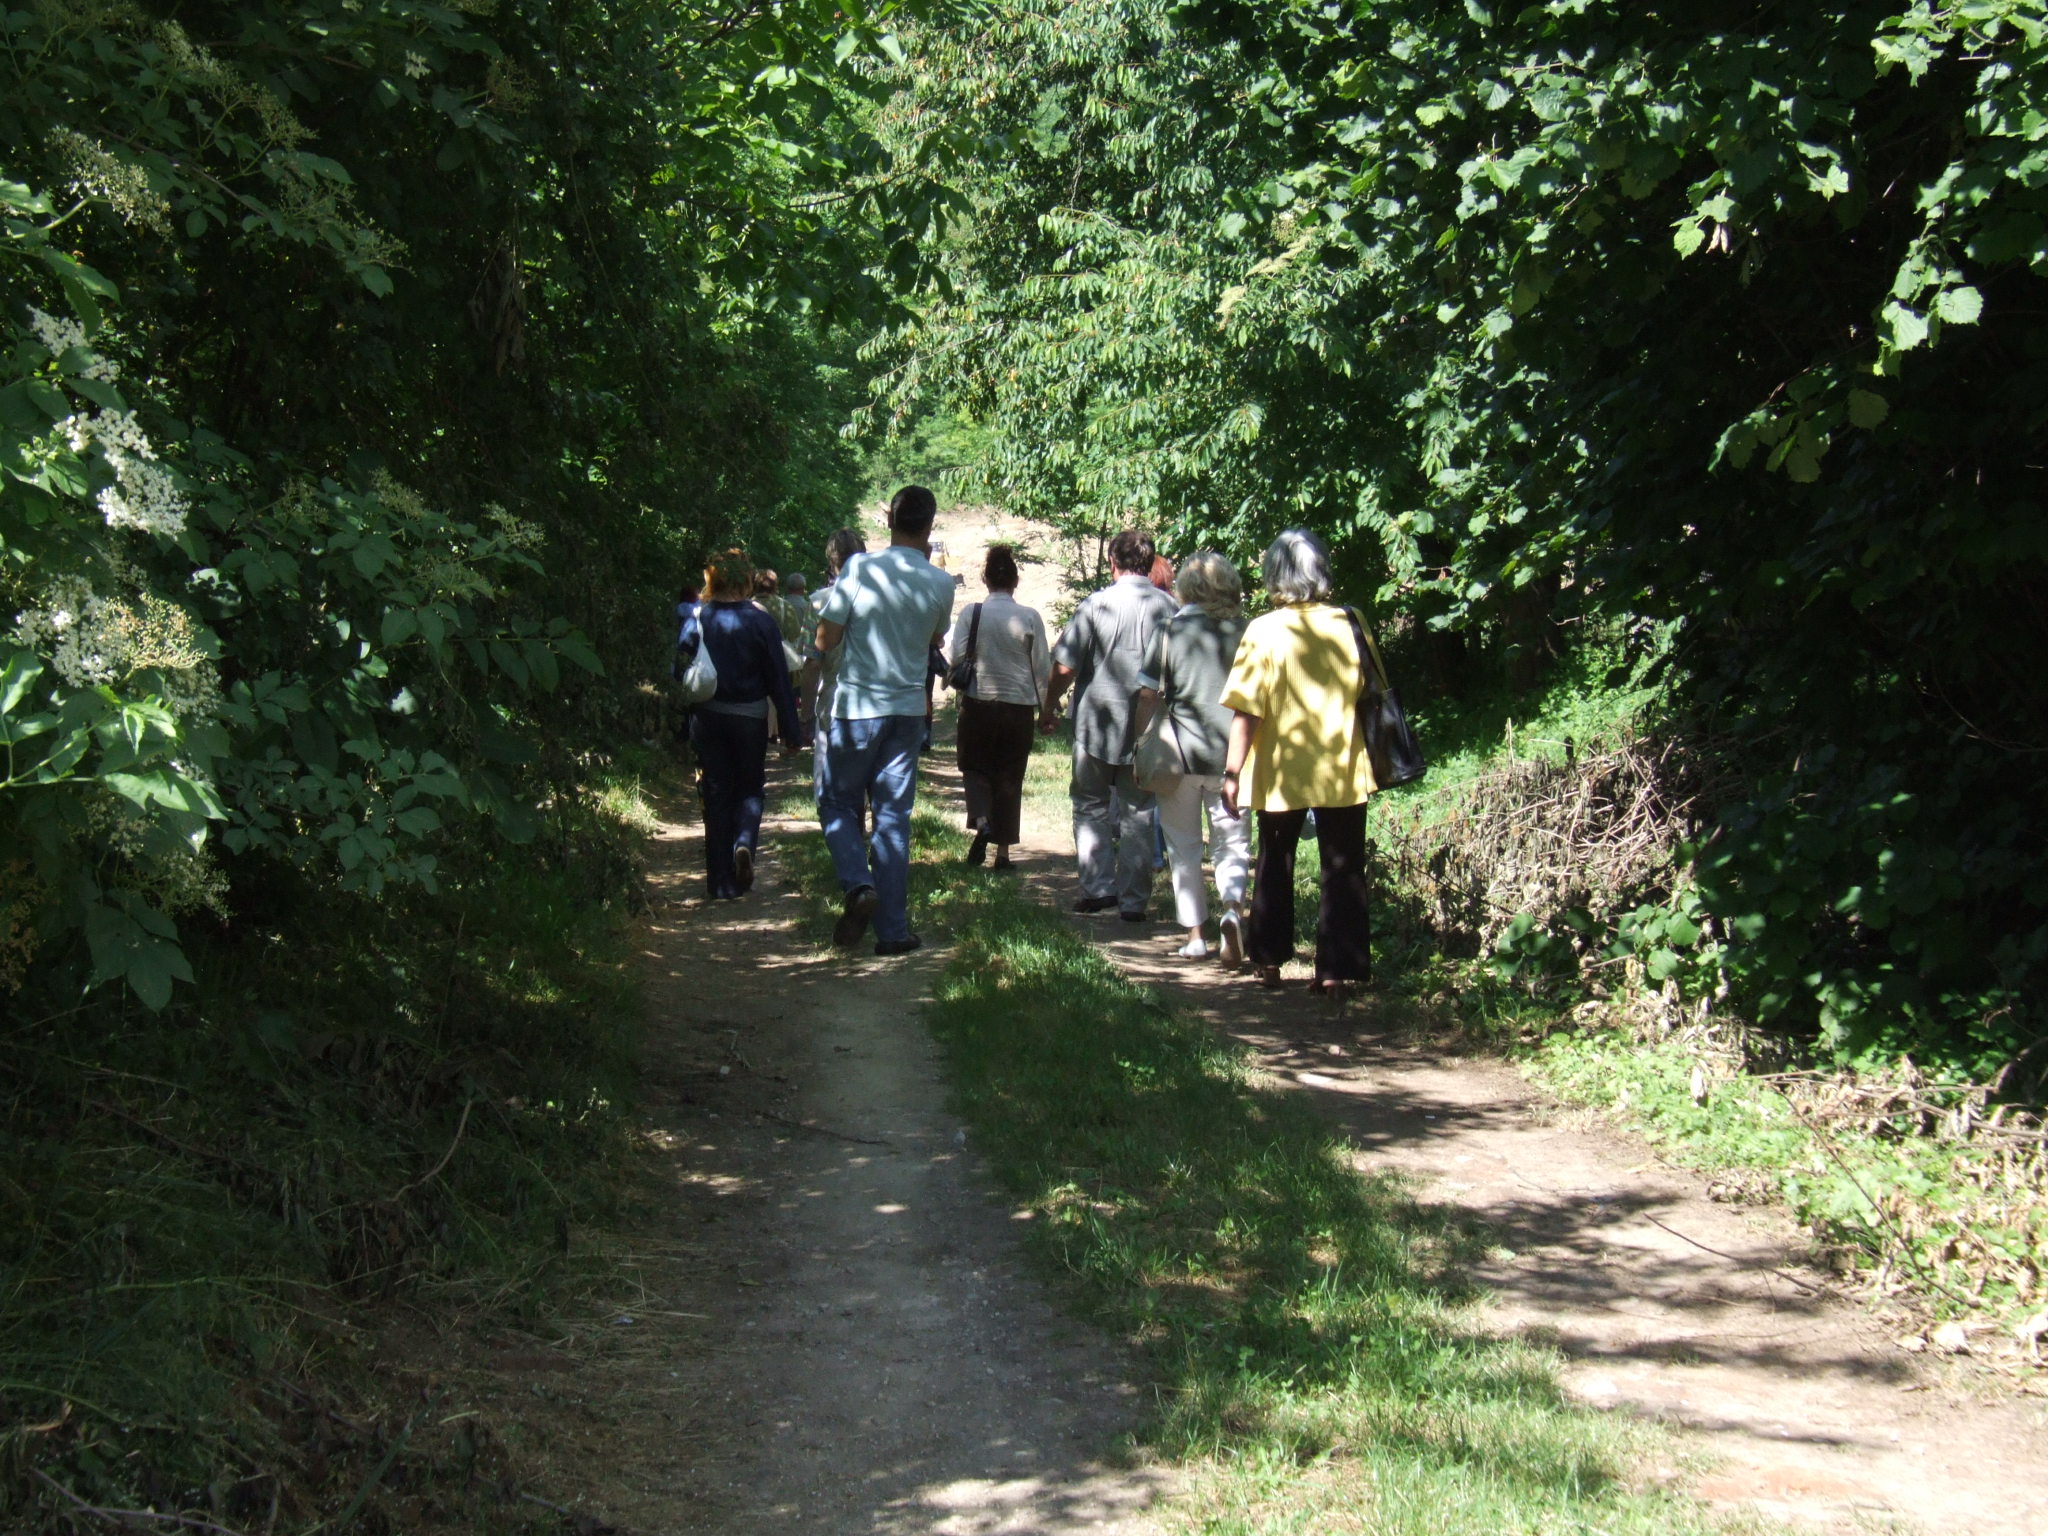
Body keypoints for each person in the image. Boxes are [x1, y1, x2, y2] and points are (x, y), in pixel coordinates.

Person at [1218, 528, 1379, 996]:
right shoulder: (1352, 622)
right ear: (1322, 570)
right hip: (1343, 763)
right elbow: (1372, 692)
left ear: (1274, 575)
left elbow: (1247, 710)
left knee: (1274, 861)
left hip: (1280, 768)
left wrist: (1232, 773)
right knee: (1343, 866)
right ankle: (1335, 971)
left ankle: (1269, 961)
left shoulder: (1263, 631)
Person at [814, 487, 956, 956]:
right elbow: (936, 636)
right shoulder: (942, 583)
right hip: (908, 711)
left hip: (858, 708)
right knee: (893, 818)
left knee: (837, 802)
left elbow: (825, 640)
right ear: (930, 526)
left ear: (889, 520)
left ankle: (859, 884)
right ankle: (893, 932)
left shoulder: (859, 568)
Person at [1041, 528, 1177, 920]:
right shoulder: (1169, 608)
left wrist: (1049, 706)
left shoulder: (1096, 605)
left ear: (1112, 561)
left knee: (1090, 804)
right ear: (1149, 562)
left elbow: (1065, 666)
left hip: (1095, 724)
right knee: (1139, 811)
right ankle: (1133, 901)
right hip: (1149, 728)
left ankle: (1098, 888)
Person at [1133, 551, 1250, 962]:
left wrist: (1138, 743)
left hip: (1178, 757)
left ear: (1187, 587)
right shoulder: (1246, 632)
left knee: (1183, 847)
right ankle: (1232, 910)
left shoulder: (1169, 631)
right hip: (1235, 758)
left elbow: (1147, 694)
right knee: (1232, 843)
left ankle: (1196, 936)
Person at [676, 549, 803, 901]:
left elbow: (680, 668)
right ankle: (744, 843)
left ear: (712, 578)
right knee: (749, 788)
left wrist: (678, 722)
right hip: (749, 719)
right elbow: (779, 680)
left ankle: (720, 883)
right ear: (746, 579)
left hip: (708, 718)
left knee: (716, 793)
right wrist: (792, 732)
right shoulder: (760, 621)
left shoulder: (698, 616)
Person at [949, 544, 1051, 872]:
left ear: (986, 579)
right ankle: (1003, 855)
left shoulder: (972, 613)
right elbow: (1042, 670)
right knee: (1009, 776)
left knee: (974, 767)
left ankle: (982, 821)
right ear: (1015, 581)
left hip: (978, 704)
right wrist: (1047, 711)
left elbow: (956, 658)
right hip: (1018, 709)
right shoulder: (1029, 617)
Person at [810, 527, 867, 728]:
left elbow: (812, 662)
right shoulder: (881, 598)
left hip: (834, 702)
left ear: (832, 561)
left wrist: (805, 715)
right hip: (874, 705)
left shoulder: (817, 602)